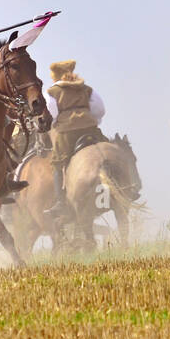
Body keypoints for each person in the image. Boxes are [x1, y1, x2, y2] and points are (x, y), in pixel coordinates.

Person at [44, 60, 106, 220]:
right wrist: (92, 120)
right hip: (91, 128)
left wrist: (58, 123)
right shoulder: (86, 89)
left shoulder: (52, 91)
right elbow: (100, 109)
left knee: (57, 163)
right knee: (109, 149)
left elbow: (52, 113)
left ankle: (60, 203)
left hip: (67, 132)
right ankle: (127, 187)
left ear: (55, 76)